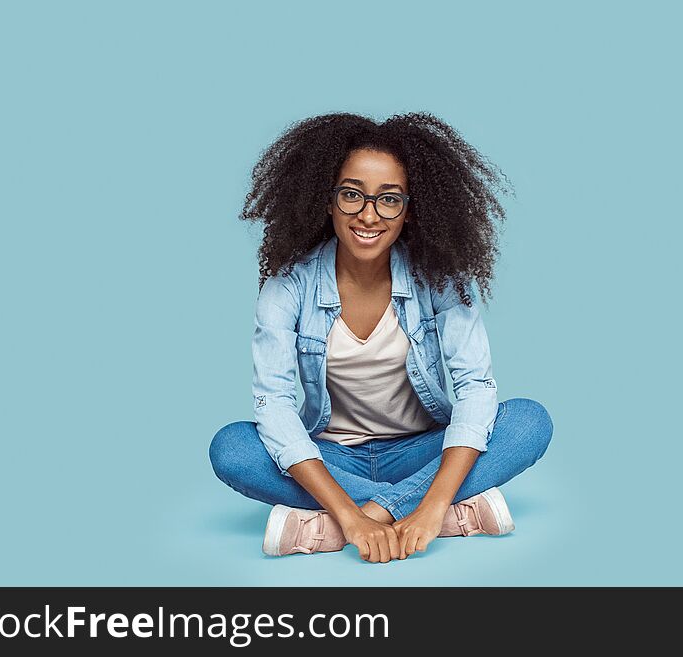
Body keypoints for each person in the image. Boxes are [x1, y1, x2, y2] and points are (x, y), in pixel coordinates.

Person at [209, 112, 553, 563]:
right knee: (233, 447)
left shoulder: (439, 279)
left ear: (410, 210)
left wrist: (409, 508)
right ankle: (453, 516)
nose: (368, 215)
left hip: (422, 449)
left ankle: (335, 527)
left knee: (527, 421)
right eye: (352, 195)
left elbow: (475, 388)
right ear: (327, 200)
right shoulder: (288, 286)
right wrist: (358, 513)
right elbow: (272, 402)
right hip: (331, 457)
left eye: (388, 199)